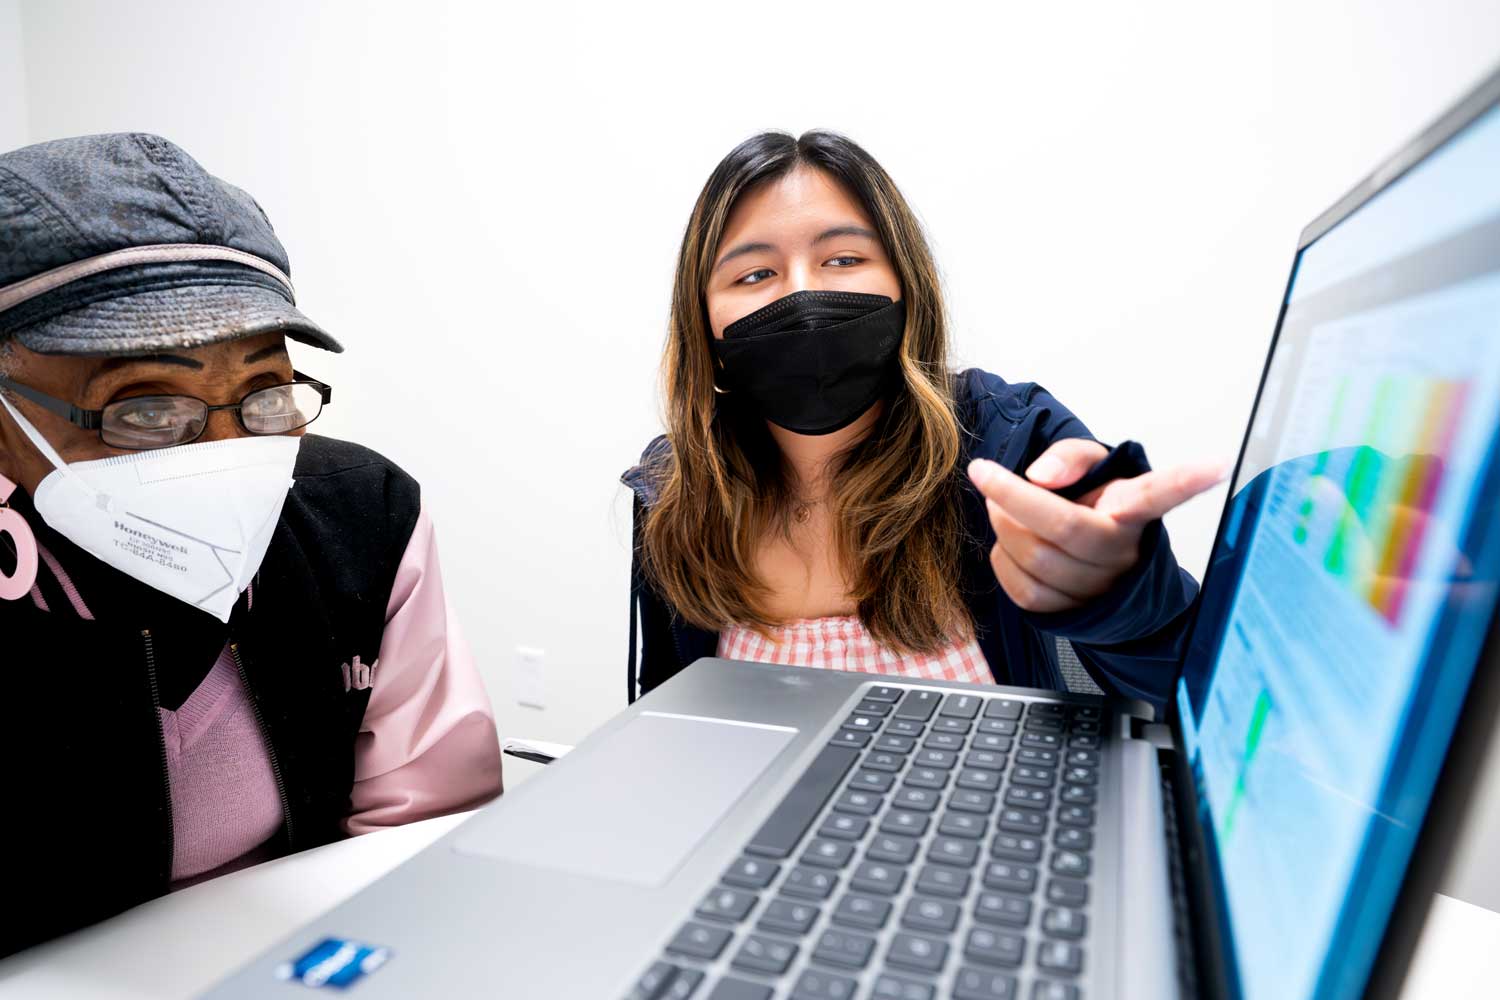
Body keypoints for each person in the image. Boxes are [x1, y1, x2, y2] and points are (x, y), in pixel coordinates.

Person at [0, 134, 503, 957]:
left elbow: (422, 838)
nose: (226, 449)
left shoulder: (359, 517)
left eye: (264, 390)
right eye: (146, 408)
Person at [623, 130, 1221, 707]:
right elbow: (667, 712)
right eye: (755, 274)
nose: (800, 297)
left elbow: (1188, 682)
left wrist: (1117, 595)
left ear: (907, 286)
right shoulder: (674, 488)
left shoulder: (1008, 439)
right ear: (703, 322)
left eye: (844, 258)